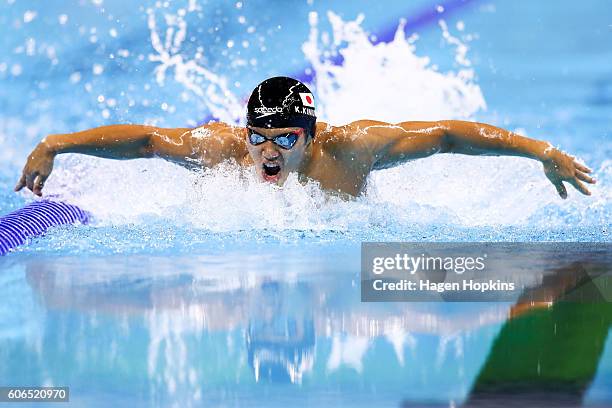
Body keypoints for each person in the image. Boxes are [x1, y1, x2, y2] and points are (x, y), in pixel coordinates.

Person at [15, 76, 595, 198]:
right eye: (257, 137)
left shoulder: (351, 147)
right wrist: (57, 142)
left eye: (285, 138)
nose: (268, 151)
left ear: (312, 136)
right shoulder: (224, 151)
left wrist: (542, 151)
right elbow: (145, 140)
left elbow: (444, 132)